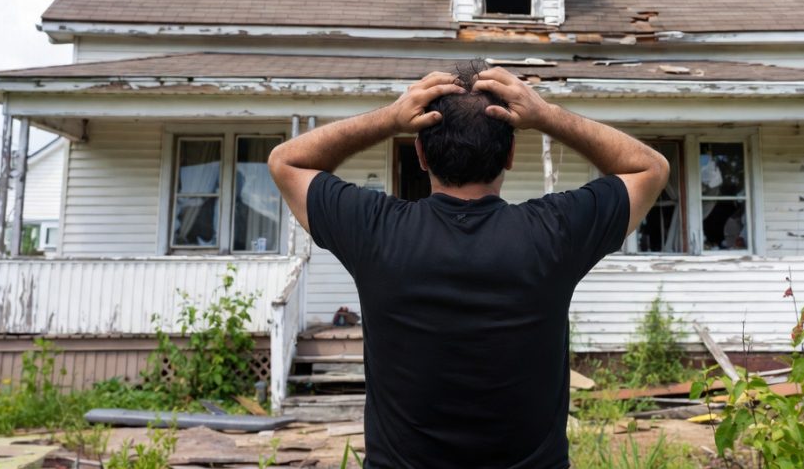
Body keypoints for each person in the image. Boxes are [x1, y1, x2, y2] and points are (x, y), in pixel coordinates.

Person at [268, 60, 669, 469]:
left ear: (420, 153)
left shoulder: (376, 230)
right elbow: (650, 168)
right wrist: (545, 114)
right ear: (511, 154)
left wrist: (390, 118)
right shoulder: (555, 232)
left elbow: (287, 162)